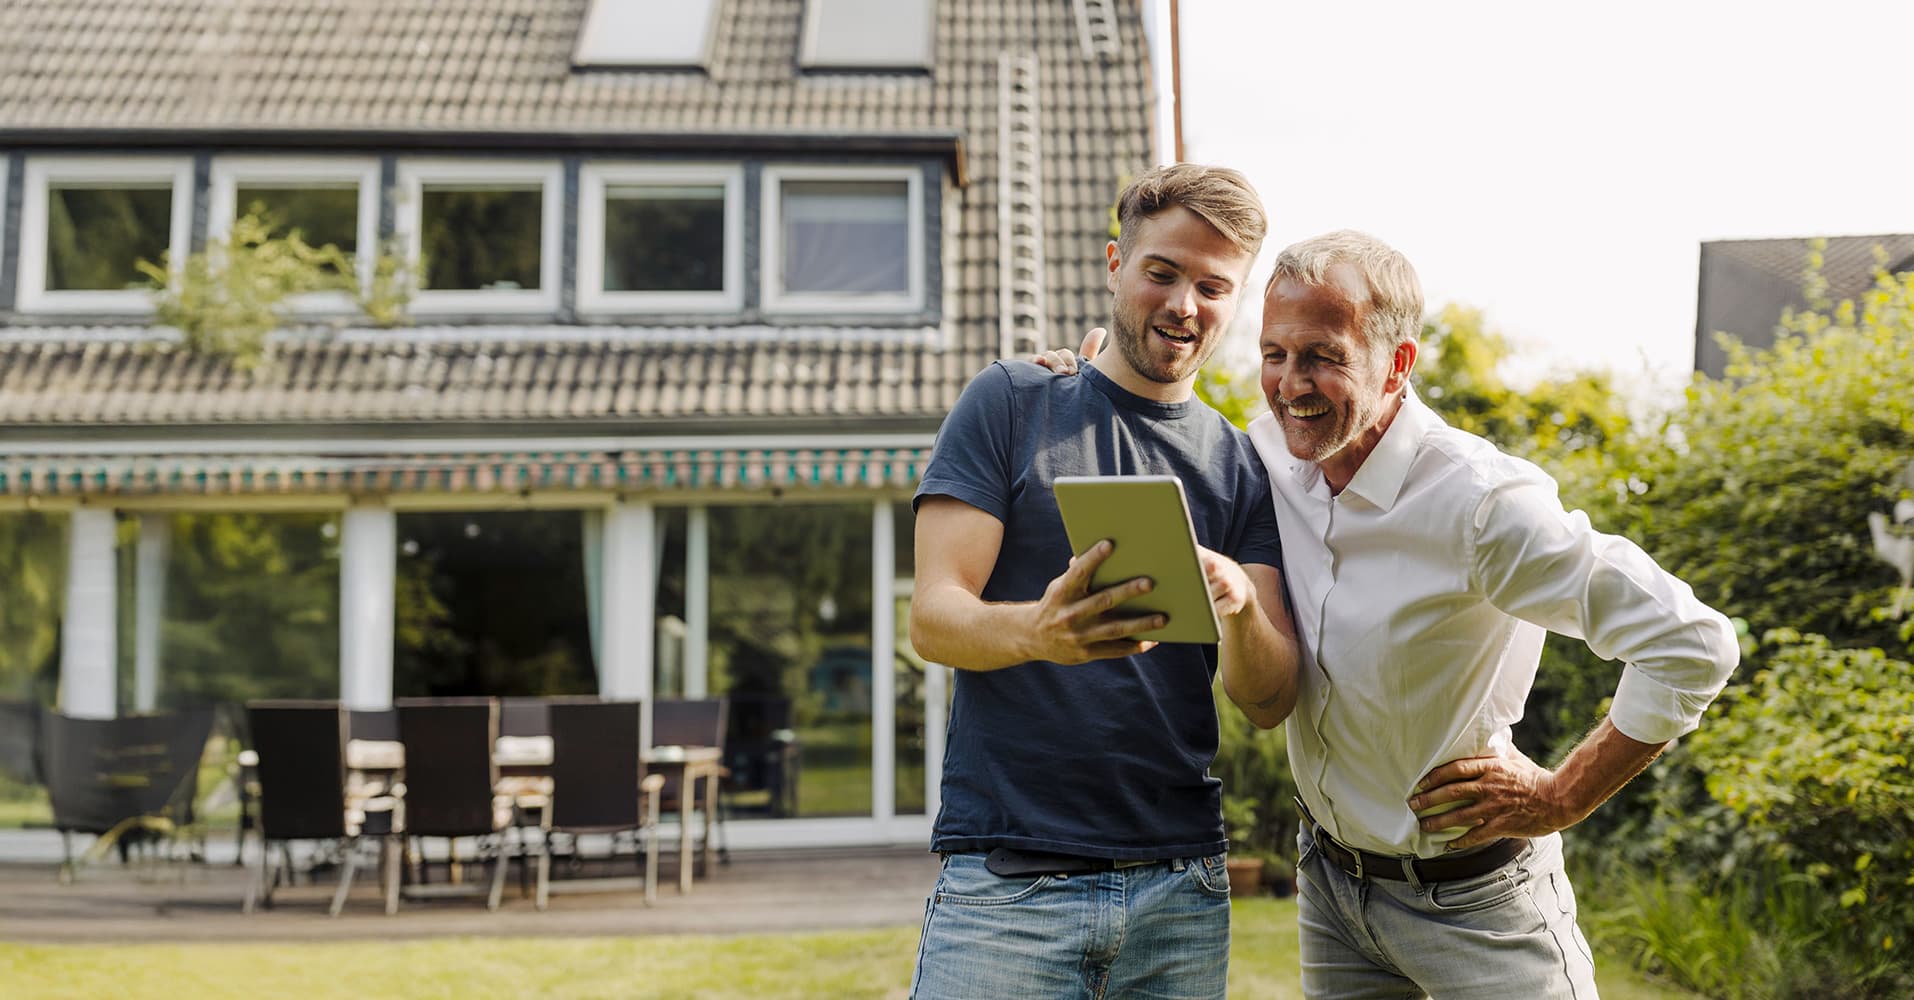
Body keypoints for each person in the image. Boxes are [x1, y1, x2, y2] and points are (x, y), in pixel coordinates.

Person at [1041, 228, 1742, 998]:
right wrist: (1081, 388)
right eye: (1274, 354)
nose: (1289, 385)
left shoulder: (1484, 505)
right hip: (1333, 895)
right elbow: (1168, 455)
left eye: (1322, 357)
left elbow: (1693, 643)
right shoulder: (1267, 457)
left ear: (1399, 362)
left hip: (1479, 903)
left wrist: (1561, 796)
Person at [906, 163, 1300, 1000]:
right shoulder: (1013, 401)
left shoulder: (1240, 466)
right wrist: (1038, 633)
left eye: (1212, 286)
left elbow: (1268, 699)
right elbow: (934, 618)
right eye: (1162, 272)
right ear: (1115, 262)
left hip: (1182, 892)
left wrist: (1236, 604)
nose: (1184, 305)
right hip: (1010, 886)